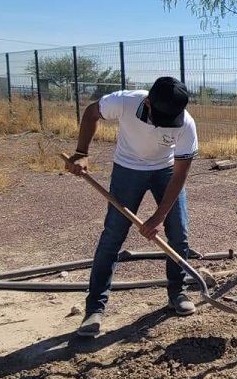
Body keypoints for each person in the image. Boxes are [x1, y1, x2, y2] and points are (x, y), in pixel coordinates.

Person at [63, 76, 199, 337]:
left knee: (179, 233)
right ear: (147, 103)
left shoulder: (186, 124)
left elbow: (180, 174)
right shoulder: (124, 102)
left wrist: (159, 216)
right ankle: (95, 309)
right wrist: (81, 152)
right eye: (161, 117)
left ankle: (178, 292)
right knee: (113, 236)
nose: (165, 124)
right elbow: (91, 113)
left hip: (166, 171)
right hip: (127, 169)